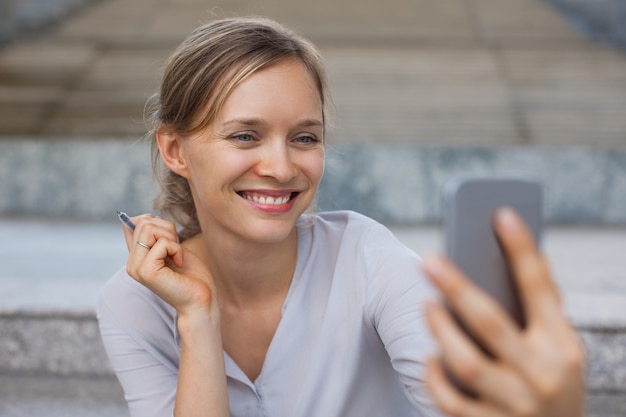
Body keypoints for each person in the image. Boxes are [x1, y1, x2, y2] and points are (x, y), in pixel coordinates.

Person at [97, 16, 585, 417]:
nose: (283, 167)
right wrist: (199, 318)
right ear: (175, 149)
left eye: (305, 138)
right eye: (245, 135)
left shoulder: (369, 260)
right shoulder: (133, 303)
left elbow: (471, 404)